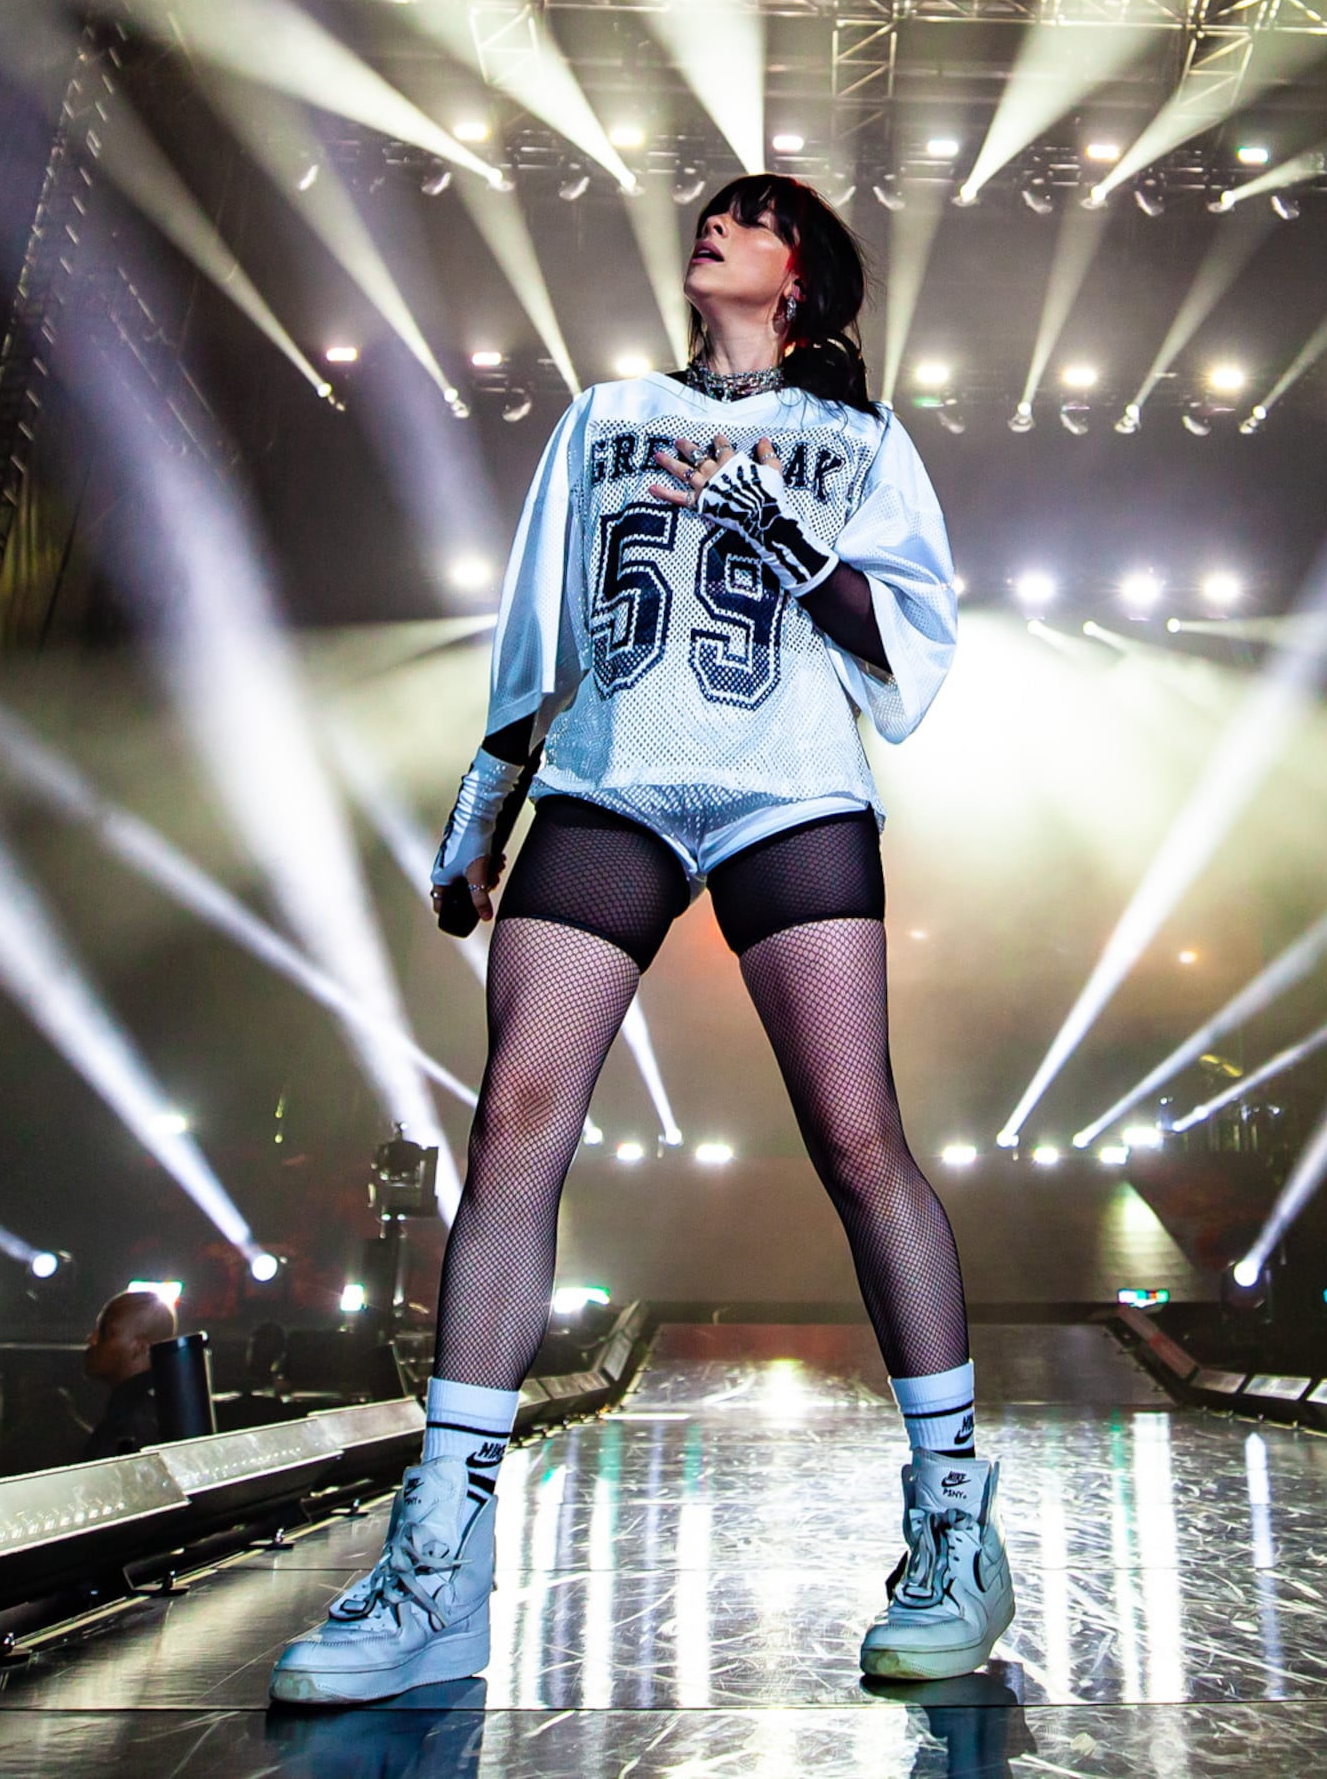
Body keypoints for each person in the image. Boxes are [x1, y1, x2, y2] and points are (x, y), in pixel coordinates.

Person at [273, 174, 980, 1706]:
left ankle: (953, 1524)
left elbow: (912, 655)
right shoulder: (601, 417)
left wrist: (782, 527)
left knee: (860, 1140)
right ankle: (441, 1564)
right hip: (609, 784)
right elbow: (542, 625)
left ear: (802, 278)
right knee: (514, 1125)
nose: (716, 224)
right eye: (712, 211)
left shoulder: (859, 440)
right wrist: (482, 811)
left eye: (754, 216)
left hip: (788, 787)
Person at [80, 1290, 176, 1460]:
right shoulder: (162, 1408)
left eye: (107, 1333)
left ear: (139, 1346)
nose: (92, 1339)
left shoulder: (136, 1421)